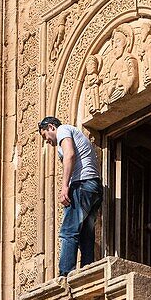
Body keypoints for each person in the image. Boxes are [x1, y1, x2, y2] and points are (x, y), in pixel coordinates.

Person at [38, 116, 103, 275]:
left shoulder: (63, 130)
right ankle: (88, 270)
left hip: (82, 184)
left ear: (51, 127)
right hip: (94, 187)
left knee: (68, 231)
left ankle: (65, 273)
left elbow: (70, 154)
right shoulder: (72, 132)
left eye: (45, 135)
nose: (46, 141)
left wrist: (65, 186)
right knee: (85, 235)